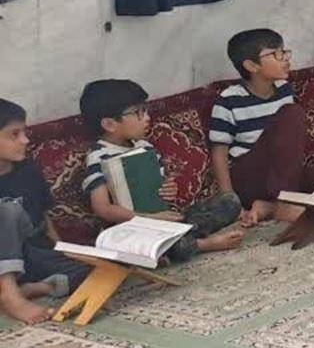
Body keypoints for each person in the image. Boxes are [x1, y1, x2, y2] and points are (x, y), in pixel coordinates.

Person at [79, 79, 245, 260]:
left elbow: (159, 190)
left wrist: (168, 189)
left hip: (164, 220)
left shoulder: (145, 147)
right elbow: (102, 208)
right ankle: (201, 244)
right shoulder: (99, 156)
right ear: (110, 124)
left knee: (229, 201)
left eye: (145, 110)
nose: (147, 117)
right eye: (138, 113)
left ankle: (184, 235)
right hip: (133, 228)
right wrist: (149, 219)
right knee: (146, 246)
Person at [209, 29, 314, 233]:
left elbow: (287, 147)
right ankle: (284, 204)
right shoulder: (229, 100)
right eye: (276, 54)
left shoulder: (284, 89)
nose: (285, 58)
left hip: (279, 177)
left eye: (284, 52)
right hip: (249, 177)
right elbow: (219, 153)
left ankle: (269, 207)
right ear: (251, 66)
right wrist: (230, 202)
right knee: (292, 113)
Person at [0, 99, 89, 323]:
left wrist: (61, 249)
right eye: (14, 134)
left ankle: (35, 288)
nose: (25, 140)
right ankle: (10, 296)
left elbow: (43, 216)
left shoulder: (28, 169)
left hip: (30, 252)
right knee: (7, 211)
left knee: (96, 271)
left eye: (24, 132)